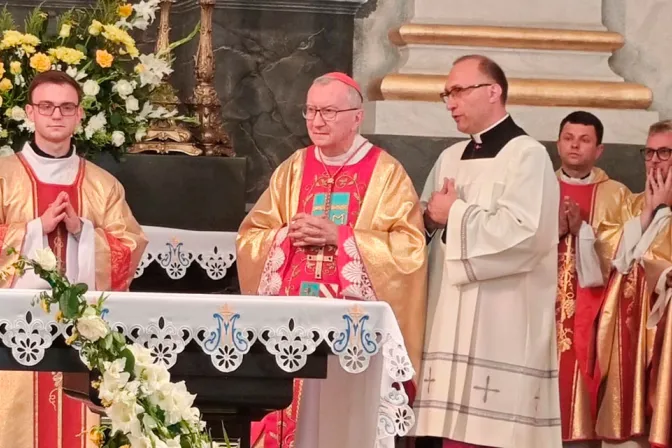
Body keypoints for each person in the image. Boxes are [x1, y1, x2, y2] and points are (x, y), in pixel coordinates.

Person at [236, 72, 428, 448]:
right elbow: (251, 236)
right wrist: (283, 237)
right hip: (290, 327)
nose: (316, 121)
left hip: (349, 333)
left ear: (357, 116)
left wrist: (341, 237)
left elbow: (409, 251)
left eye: (328, 111)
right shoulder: (294, 167)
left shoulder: (386, 173)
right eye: (310, 111)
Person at [409, 54, 562, 448]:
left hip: (502, 323)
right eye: (446, 93)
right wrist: (429, 222)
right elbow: (425, 226)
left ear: (493, 91)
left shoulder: (527, 155)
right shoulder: (450, 157)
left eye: (458, 90)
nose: (450, 102)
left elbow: (526, 236)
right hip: (445, 319)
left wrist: (454, 213)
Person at [0, 70, 147, 448]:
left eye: (66, 107)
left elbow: (130, 246)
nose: (56, 115)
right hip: (11, 338)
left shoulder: (103, 184)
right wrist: (34, 229)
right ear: (29, 113)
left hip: (83, 343)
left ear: (79, 115)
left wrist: (84, 232)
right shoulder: (3, 175)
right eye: (46, 106)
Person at [554, 111, 631, 447]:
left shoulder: (616, 194)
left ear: (599, 150)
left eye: (585, 140)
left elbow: (625, 253)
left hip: (592, 312)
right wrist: (555, 231)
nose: (575, 145)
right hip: (540, 304)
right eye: (569, 138)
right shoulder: (537, 184)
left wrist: (584, 232)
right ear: (558, 142)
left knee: (584, 378)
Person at [594, 120, 672, 448]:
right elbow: (611, 252)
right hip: (631, 324)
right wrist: (653, 210)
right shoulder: (632, 202)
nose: (654, 160)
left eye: (665, 152)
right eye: (649, 152)